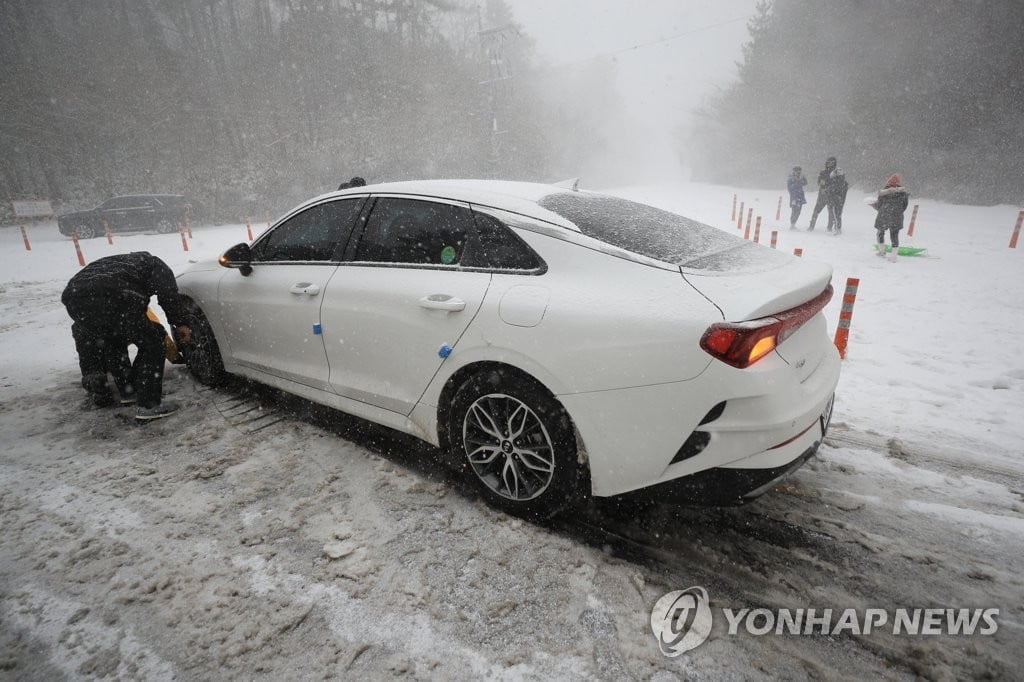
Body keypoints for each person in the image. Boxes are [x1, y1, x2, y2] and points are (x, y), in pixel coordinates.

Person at [61, 252, 191, 421]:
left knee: (112, 340)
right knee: (152, 344)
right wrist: (180, 322)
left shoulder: (125, 263)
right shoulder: (157, 266)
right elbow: (168, 295)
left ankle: (128, 391)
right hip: (115, 293)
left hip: (74, 296)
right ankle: (148, 406)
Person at [872, 173, 909, 262]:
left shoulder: (883, 192)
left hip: (884, 215)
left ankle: (882, 251)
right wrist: (898, 212)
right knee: (894, 235)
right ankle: (894, 256)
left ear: (888, 182)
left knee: (880, 232)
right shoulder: (903, 194)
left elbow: (879, 205)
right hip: (897, 216)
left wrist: (874, 206)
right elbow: (905, 206)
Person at [824, 156, 849, 235]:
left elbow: (837, 188)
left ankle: (838, 229)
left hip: (836, 197)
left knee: (836, 213)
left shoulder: (839, 179)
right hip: (835, 197)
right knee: (835, 213)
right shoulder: (838, 181)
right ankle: (836, 228)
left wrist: (830, 190)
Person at [806, 159, 831, 231]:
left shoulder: (834, 173)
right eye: (828, 163)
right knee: (816, 211)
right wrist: (824, 184)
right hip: (823, 195)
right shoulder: (823, 172)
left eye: (831, 163)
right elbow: (819, 182)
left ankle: (829, 228)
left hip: (830, 195)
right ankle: (811, 226)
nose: (829, 165)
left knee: (831, 213)